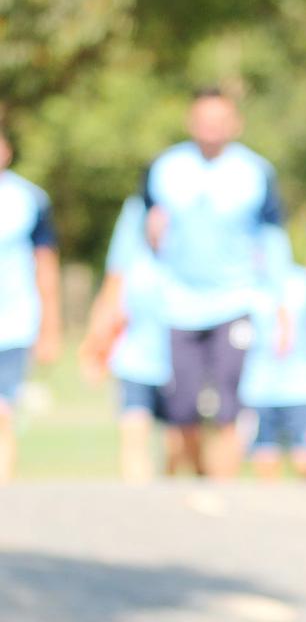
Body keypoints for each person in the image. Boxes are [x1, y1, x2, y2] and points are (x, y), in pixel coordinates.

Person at [143, 88, 290, 479]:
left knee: (228, 401)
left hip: (234, 300)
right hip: (180, 302)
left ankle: (223, 486)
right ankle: (201, 478)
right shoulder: (165, 168)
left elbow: (273, 239)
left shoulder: (255, 171)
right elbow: (145, 230)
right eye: (204, 119)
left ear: (235, 124)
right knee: (182, 406)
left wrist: (281, 303)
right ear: (191, 122)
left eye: (219, 119)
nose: (211, 128)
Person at [80, 195, 175, 482]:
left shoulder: (188, 269)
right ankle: (140, 504)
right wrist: (95, 353)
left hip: (178, 366)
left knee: (178, 447)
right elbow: (110, 308)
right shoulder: (133, 265)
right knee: (134, 436)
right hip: (135, 364)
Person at [0, 128, 62, 483]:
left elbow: (46, 264)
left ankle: (5, 486)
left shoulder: (29, 199)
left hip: (13, 321)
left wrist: (49, 327)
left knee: (4, 409)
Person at [239, 259, 306, 480]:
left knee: (305, 454)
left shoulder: (305, 281)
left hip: (301, 383)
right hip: (259, 384)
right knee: (264, 453)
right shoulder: (247, 282)